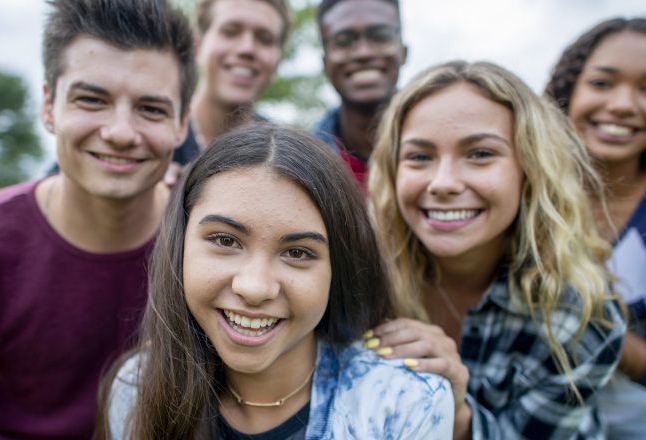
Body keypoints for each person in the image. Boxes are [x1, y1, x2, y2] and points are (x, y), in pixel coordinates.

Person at [0, 0, 195, 438]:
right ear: (48, 105)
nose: (119, 131)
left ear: (181, 124)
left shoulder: (209, 242)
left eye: (151, 109)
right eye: (92, 100)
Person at [97, 123, 455, 439]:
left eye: (297, 253)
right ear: (180, 245)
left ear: (338, 269)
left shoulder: (406, 406)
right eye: (225, 241)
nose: (254, 288)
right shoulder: (136, 389)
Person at [368, 60, 626, 439]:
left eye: (480, 154)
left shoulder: (580, 317)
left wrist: (456, 413)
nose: (443, 183)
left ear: (531, 170)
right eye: (420, 157)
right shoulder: (357, 279)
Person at [546, 17, 646, 439]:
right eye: (602, 83)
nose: (623, 104)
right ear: (570, 90)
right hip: (541, 421)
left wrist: (576, 312)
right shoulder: (528, 193)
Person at [164, 0, 290, 185]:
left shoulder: (286, 157)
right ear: (197, 46)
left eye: (264, 39)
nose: (247, 49)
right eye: (230, 32)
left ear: (278, 62)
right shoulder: (156, 139)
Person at [313, 0, 407, 188]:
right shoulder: (304, 165)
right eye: (344, 41)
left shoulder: (447, 147)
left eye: (380, 36)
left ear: (403, 52)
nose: (363, 53)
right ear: (325, 63)